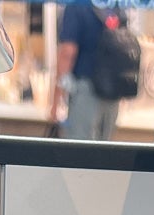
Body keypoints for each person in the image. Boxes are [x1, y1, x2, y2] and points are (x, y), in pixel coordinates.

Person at [50, 0, 119, 141]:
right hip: (112, 93)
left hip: (85, 90)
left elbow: (67, 52)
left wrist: (55, 100)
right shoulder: (114, 5)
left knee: (79, 148)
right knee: (104, 148)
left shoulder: (76, 6)